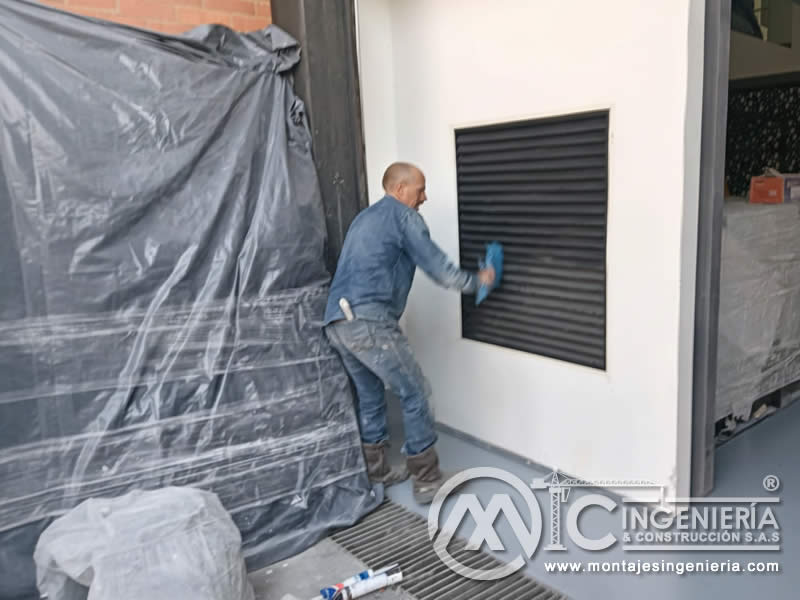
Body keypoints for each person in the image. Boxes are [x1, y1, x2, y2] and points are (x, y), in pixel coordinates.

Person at [323, 162, 495, 504]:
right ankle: (428, 479)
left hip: (337, 322)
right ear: (401, 190)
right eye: (420, 190)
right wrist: (479, 281)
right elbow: (441, 270)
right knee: (416, 392)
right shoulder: (404, 218)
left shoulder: (365, 218)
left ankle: (377, 470)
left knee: (371, 395)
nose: (425, 197)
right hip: (368, 322)